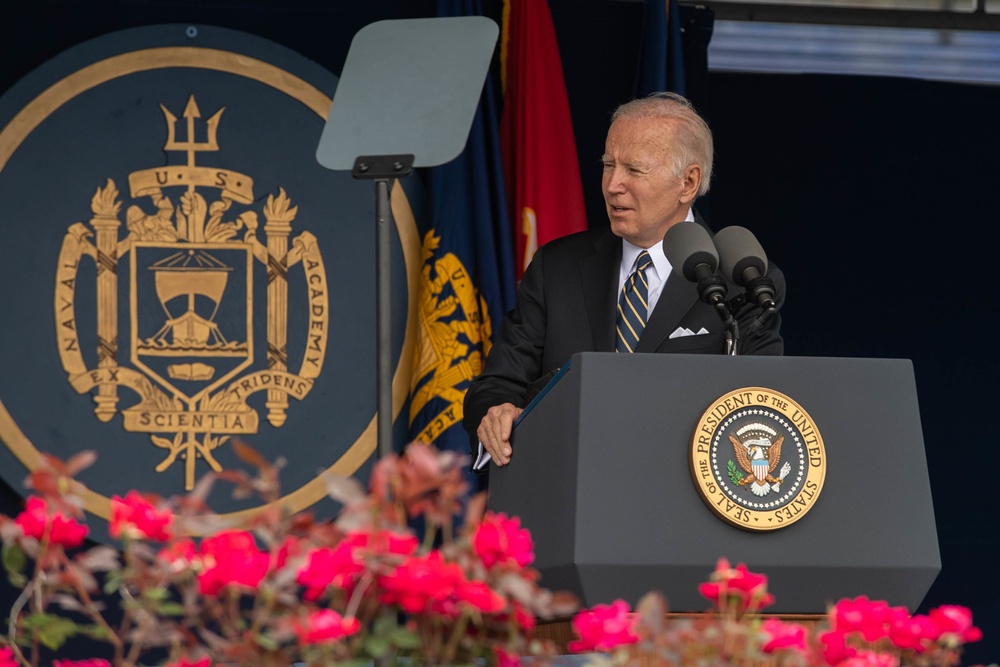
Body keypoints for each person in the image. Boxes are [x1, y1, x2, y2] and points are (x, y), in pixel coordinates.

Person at [463, 92, 785, 468]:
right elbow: (498, 384)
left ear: (688, 182)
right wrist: (495, 413)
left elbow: (761, 411)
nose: (613, 185)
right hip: (566, 486)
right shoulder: (558, 266)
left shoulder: (741, 281)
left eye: (633, 170)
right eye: (608, 165)